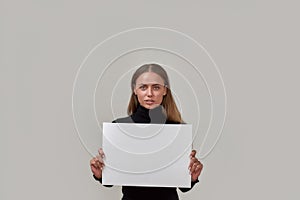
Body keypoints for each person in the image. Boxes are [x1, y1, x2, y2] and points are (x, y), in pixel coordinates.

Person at [90, 63, 203, 200]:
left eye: (156, 87)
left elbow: (183, 187)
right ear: (135, 90)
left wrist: (192, 176)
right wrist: (100, 173)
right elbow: (111, 181)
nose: (149, 94)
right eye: (143, 87)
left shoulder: (178, 131)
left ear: (165, 90)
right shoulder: (119, 128)